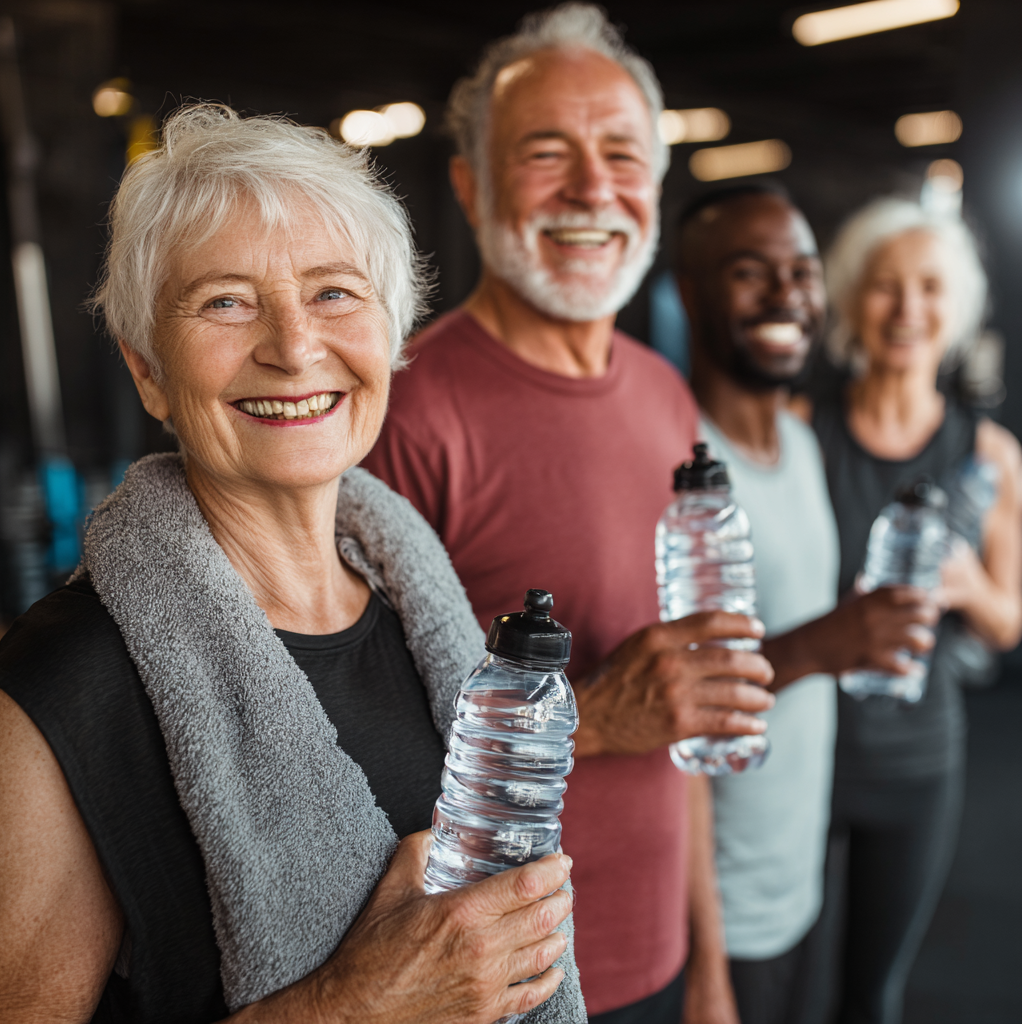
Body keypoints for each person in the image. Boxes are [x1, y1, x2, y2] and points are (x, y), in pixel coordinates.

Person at [0, 104, 587, 1024]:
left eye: (334, 293)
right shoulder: (61, 692)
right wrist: (356, 1007)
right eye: (226, 301)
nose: (294, 346)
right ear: (149, 369)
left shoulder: (422, 609)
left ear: (390, 335)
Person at [362, 6, 776, 1022]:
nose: (593, 190)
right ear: (470, 185)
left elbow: (686, 710)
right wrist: (591, 718)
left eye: (620, 155)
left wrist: (709, 968)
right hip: (501, 986)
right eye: (547, 153)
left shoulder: (663, 392)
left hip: (662, 960)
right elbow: (343, 749)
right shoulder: (404, 413)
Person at [674, 184, 940, 1024]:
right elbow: (667, 696)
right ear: (689, 288)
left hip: (795, 873)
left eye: (802, 271)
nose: (787, 295)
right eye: (751, 274)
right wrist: (824, 645)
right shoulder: (677, 461)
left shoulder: (796, 441)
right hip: (712, 910)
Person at [799, 197, 1022, 1024]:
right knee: (782, 989)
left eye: (930, 287)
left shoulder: (989, 457)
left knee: (872, 996)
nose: (908, 309)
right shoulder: (798, 433)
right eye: (887, 287)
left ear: (955, 307)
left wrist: (968, 585)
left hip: (920, 763)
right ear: (854, 301)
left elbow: (1008, 624)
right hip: (806, 755)